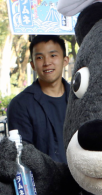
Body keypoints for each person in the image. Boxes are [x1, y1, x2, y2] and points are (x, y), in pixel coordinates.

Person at [6, 35, 70, 163]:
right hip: (43, 181)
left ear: (65, 61)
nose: (47, 63)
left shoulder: (79, 99)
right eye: (39, 57)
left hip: (80, 180)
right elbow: (22, 156)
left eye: (53, 55)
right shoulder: (20, 105)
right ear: (33, 65)